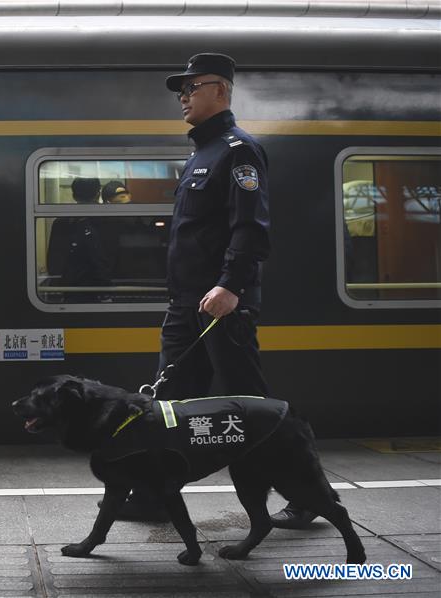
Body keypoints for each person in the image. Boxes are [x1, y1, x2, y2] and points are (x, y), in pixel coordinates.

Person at [114, 53, 312, 528]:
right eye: (179, 90)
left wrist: (230, 285)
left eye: (191, 87)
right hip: (186, 306)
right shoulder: (200, 154)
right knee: (170, 407)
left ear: (220, 90)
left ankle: (305, 495)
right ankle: (155, 496)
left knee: (252, 408)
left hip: (221, 305)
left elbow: (251, 228)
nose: (182, 97)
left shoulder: (238, 150)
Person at [46, 177, 113, 302]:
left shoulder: (61, 222)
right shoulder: (108, 220)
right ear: (98, 194)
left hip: (71, 288)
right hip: (104, 287)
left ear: (74, 196)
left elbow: (54, 259)